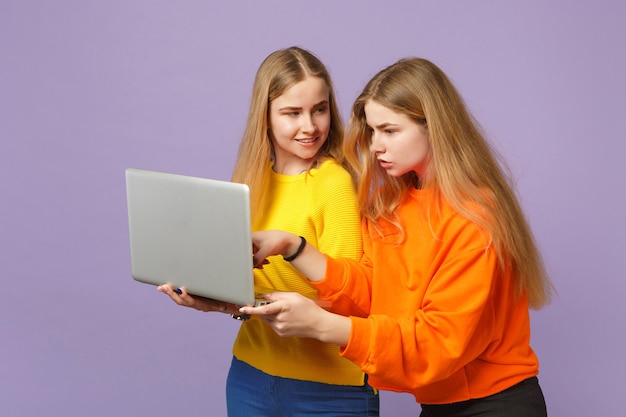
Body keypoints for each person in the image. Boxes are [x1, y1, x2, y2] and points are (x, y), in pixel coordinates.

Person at [241, 57, 555, 417]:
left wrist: (324, 325)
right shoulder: (395, 204)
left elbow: (436, 344)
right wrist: (292, 246)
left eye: (389, 131)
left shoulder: (475, 218)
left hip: (496, 404)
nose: (375, 145)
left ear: (434, 127)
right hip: (438, 402)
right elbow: (373, 293)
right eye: (372, 131)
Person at [157, 46, 379, 417]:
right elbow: (252, 289)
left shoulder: (335, 183)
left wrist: (274, 305)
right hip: (251, 375)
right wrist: (219, 302)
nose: (309, 126)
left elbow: (355, 303)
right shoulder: (250, 181)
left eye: (319, 109)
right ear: (266, 117)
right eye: (292, 113)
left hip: (328, 389)